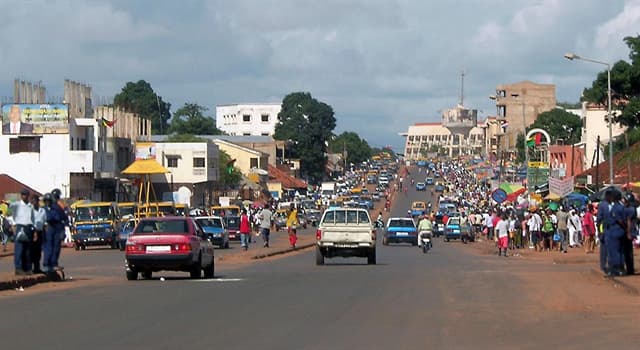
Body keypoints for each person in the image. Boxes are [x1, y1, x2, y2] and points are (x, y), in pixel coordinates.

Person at [10, 189, 35, 275]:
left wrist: (34, 230)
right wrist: (14, 225)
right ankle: (18, 268)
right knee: (19, 249)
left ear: (28, 196)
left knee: (27, 249)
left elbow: (33, 218)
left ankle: (27, 268)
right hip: (20, 227)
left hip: (28, 227)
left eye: (26, 195)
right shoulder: (17, 205)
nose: (24, 196)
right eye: (23, 195)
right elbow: (11, 213)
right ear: (21, 196)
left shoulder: (30, 206)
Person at [605, 190, 626, 276]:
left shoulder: (615, 207)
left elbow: (619, 220)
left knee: (614, 251)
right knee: (621, 251)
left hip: (614, 231)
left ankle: (615, 269)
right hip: (621, 231)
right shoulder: (622, 207)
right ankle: (621, 268)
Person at [597, 189, 614, 273]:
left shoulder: (613, 204)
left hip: (613, 230)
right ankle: (603, 266)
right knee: (604, 249)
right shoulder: (602, 205)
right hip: (604, 229)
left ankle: (611, 265)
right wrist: (599, 231)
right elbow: (599, 219)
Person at [622, 193, 637, 275]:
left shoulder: (630, 209)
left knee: (627, 252)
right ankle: (629, 268)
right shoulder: (630, 208)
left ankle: (629, 269)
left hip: (628, 232)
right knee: (627, 251)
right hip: (627, 232)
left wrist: (628, 232)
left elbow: (629, 221)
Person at [31, 194, 46, 274]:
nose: (34, 203)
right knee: (31, 251)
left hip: (40, 232)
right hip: (31, 233)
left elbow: (44, 223)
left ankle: (37, 268)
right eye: (33, 201)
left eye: (36, 201)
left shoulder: (42, 211)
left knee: (38, 251)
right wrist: (34, 232)